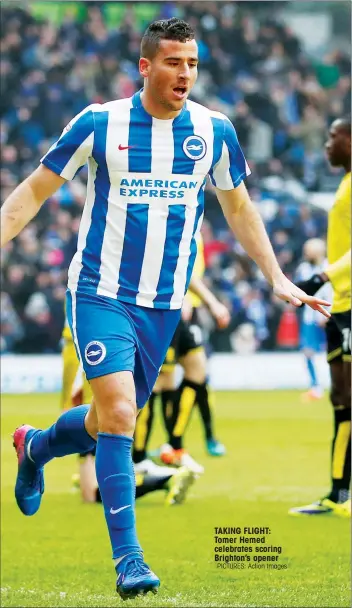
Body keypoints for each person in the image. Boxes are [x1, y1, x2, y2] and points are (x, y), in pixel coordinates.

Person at [1, 18, 329, 599]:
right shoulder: (100, 123)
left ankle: (38, 445)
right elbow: (32, 191)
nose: (186, 74)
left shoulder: (215, 131)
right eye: (175, 62)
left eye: (193, 64)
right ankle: (130, 561)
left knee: (106, 424)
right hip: (100, 291)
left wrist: (274, 274)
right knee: (122, 416)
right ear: (146, 67)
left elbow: (239, 209)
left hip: (164, 304)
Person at [289, 116, 351, 517]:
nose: (327, 144)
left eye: (334, 136)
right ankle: (338, 493)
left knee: (347, 398)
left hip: (347, 301)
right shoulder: (344, 184)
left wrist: (321, 276)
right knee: (341, 399)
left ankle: (339, 494)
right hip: (340, 305)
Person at [133, 254, 231, 475]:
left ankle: (174, 445)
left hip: (181, 308)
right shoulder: (166, 222)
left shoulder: (192, 227)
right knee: (159, 382)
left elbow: (186, 270)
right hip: (160, 307)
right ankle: (138, 457)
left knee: (198, 369)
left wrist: (209, 303)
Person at [68, 365, 197, 507]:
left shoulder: (91, 358)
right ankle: (92, 478)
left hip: (96, 429)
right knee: (103, 477)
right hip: (110, 424)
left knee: (92, 495)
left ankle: (166, 478)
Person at [295, 238, 329, 401]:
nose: (305, 253)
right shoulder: (303, 268)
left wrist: (328, 312)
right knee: (308, 352)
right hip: (310, 317)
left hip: (329, 315)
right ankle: (315, 386)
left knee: (335, 352)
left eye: (308, 250)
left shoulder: (329, 266)